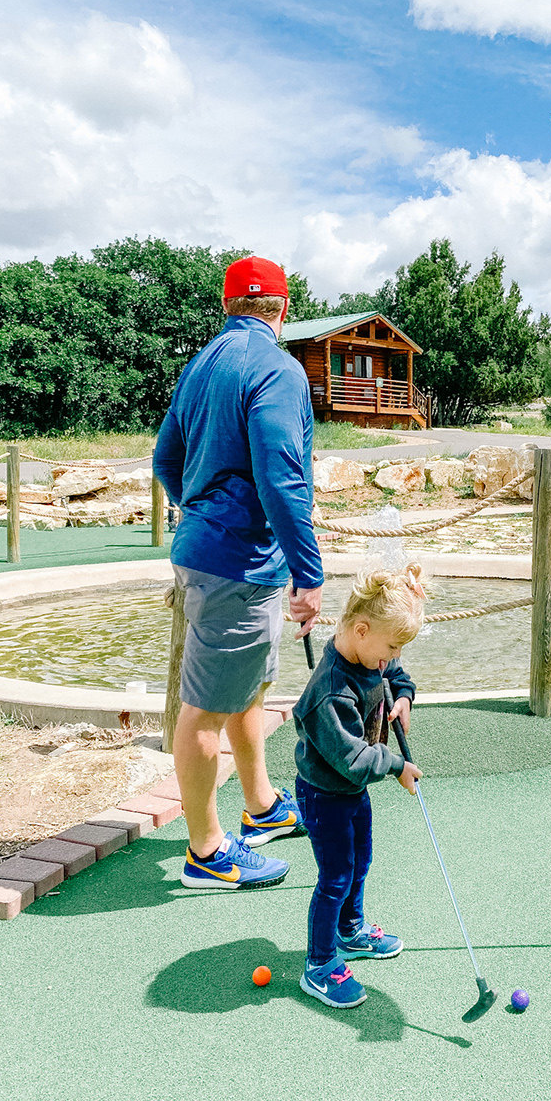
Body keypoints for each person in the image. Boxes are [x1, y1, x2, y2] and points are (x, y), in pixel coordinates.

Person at [153, 254, 324, 890]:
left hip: (213, 553)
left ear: (228, 305)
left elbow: (165, 458)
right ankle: (205, 851)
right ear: (284, 308)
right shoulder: (277, 368)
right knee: (203, 708)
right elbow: (281, 477)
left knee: (246, 686)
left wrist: (199, 511)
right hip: (239, 562)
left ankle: (262, 807)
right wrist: (308, 571)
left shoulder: (200, 365)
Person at [293, 564, 426, 1008]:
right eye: (390, 647)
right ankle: (319, 964)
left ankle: (349, 931)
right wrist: (396, 764)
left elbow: (393, 672)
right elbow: (352, 760)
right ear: (362, 630)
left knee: (360, 861)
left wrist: (403, 695)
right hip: (324, 794)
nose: (392, 657)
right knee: (335, 877)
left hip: (351, 792)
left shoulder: (370, 653)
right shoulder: (331, 690)